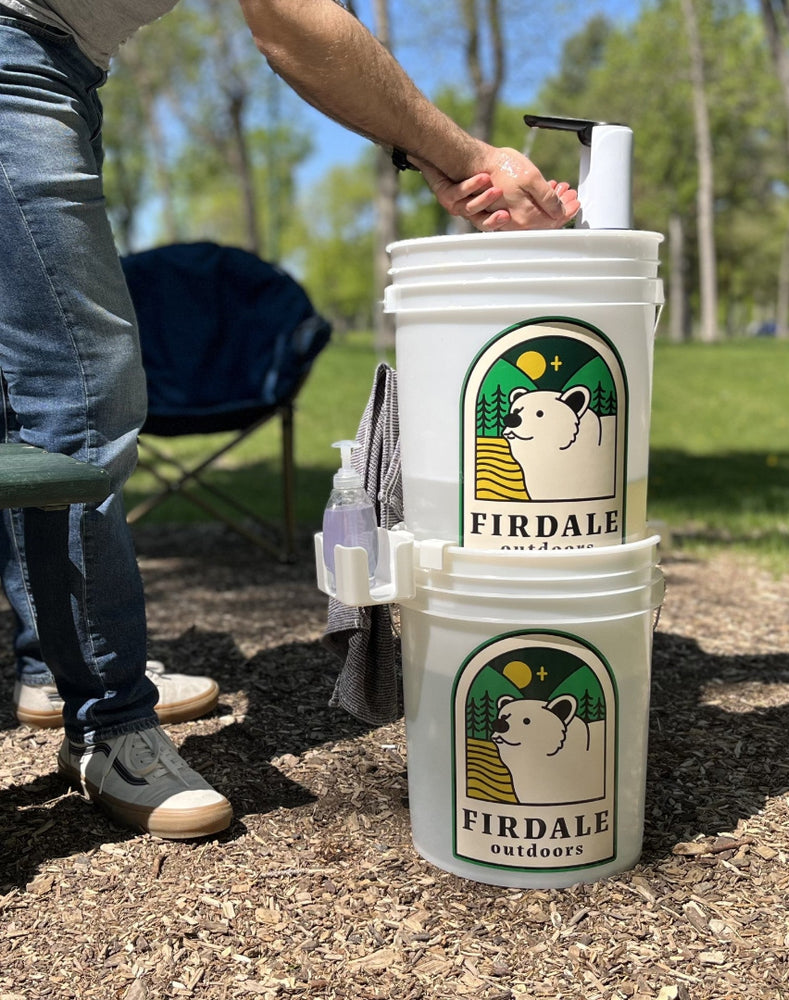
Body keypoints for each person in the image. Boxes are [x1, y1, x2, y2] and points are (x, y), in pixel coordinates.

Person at [0, 2, 580, 841]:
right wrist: (473, 160)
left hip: (62, 62)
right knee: (81, 393)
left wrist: (439, 158)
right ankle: (108, 720)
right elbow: (293, 24)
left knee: (20, 392)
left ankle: (53, 669)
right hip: (14, 49)